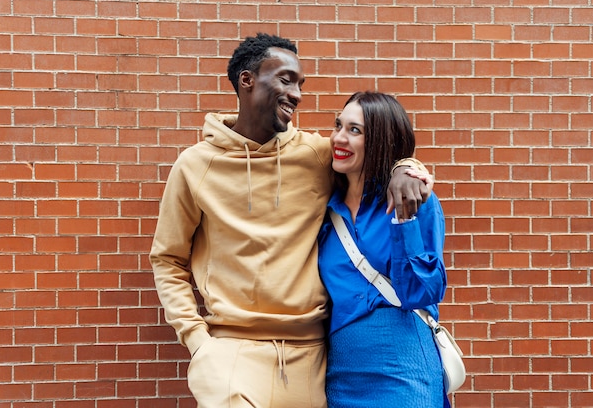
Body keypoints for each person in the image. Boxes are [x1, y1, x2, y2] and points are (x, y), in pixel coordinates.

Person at [149, 33, 432, 408]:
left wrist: (407, 167)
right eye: (286, 79)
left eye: (300, 84)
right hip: (232, 352)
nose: (297, 94)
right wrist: (197, 340)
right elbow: (168, 258)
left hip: (310, 359)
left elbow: (373, 156)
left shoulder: (315, 155)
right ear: (247, 80)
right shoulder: (195, 166)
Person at [317, 91, 449, 408]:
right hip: (341, 373)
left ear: (380, 140)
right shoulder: (324, 210)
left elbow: (422, 291)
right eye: (338, 125)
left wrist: (404, 218)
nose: (339, 138)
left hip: (403, 368)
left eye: (355, 130)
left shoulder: (415, 200)